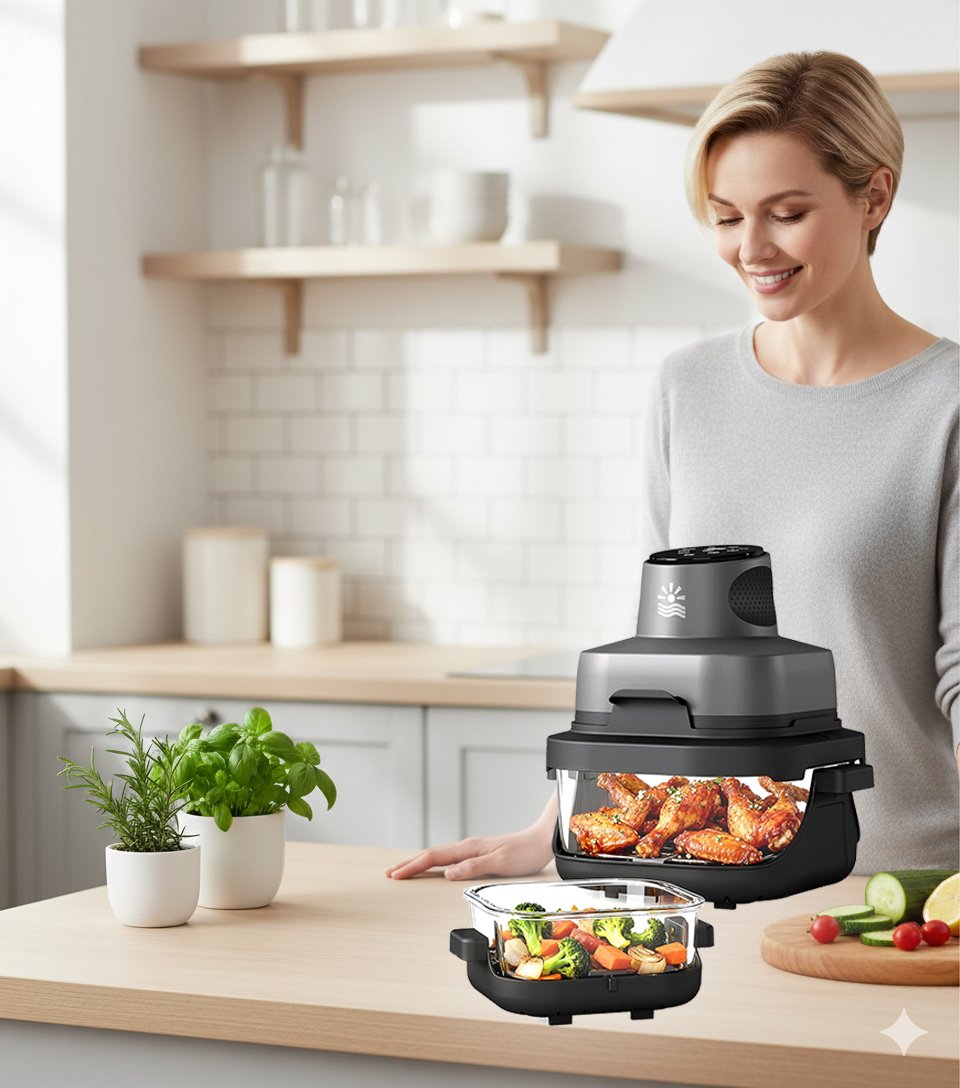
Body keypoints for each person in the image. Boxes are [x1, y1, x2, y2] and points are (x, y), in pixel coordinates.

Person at [386, 51, 960, 882]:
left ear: (874, 194)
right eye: (726, 217)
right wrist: (561, 831)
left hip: (902, 892)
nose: (750, 248)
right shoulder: (688, 388)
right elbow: (663, 666)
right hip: (707, 875)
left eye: (786, 212)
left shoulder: (944, 404)